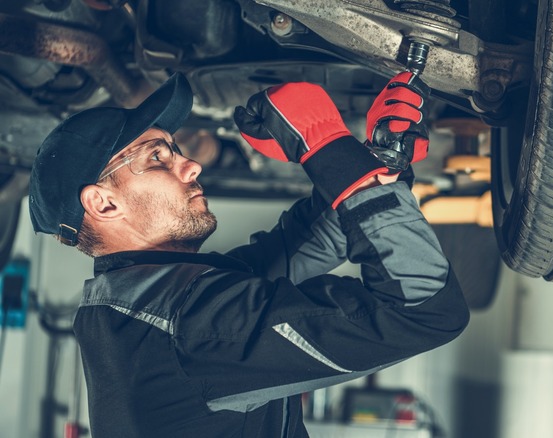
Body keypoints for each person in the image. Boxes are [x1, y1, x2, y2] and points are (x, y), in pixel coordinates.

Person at [28, 72, 469, 437]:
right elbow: (423, 309)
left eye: (175, 150)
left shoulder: (145, 301)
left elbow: (304, 245)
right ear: (104, 204)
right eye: (157, 158)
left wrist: (372, 161)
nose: (190, 164)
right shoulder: (185, 324)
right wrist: (325, 143)